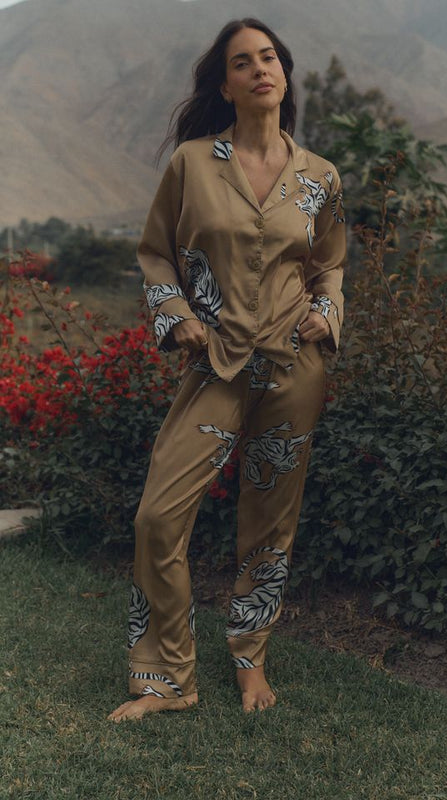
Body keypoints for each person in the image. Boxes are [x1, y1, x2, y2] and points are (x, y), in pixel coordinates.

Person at [108, 17, 345, 722]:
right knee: (157, 518)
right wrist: (174, 312)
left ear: (284, 75)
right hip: (216, 364)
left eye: (269, 57)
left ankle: (250, 658)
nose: (259, 69)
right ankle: (168, 679)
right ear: (226, 86)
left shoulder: (319, 178)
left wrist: (327, 313)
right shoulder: (191, 164)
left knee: (270, 523)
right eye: (243, 62)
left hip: (294, 367)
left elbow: (329, 264)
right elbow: (155, 252)